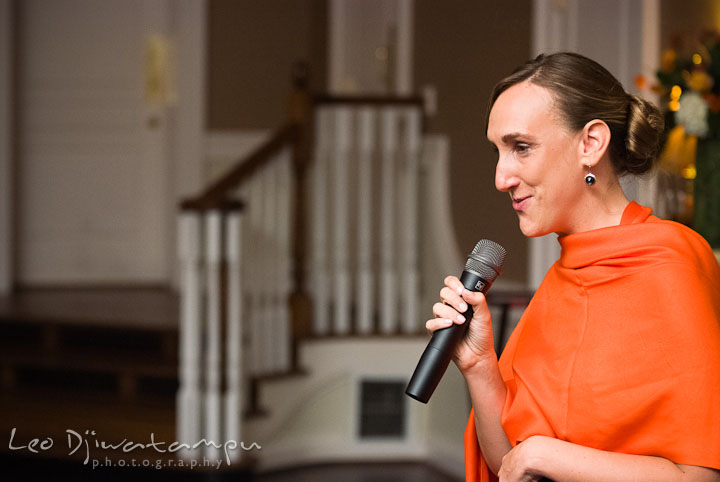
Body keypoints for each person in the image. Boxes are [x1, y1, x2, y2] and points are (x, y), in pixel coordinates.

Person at [427, 52, 720, 482]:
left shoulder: (671, 261)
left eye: (520, 147)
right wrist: (480, 365)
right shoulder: (559, 283)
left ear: (591, 144)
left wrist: (550, 455)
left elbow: (698, 477)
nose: (500, 177)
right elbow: (509, 464)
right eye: (498, 151)